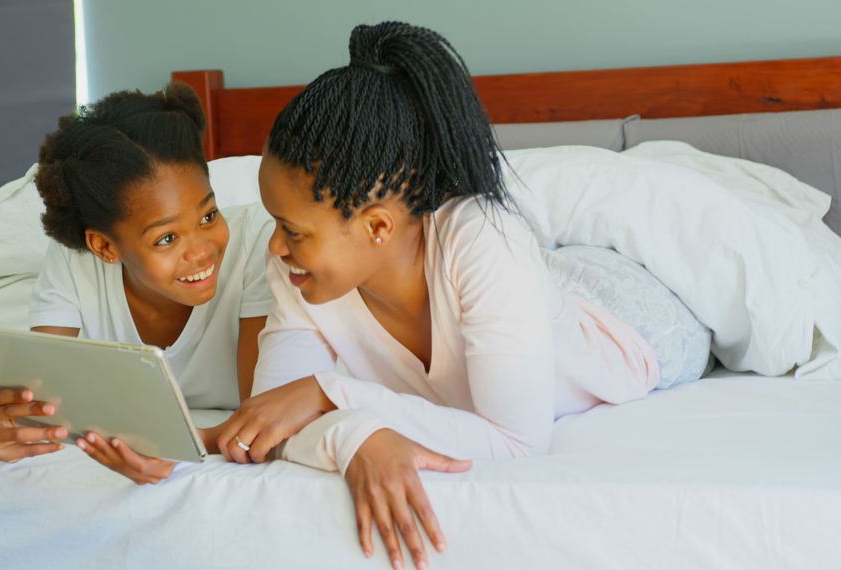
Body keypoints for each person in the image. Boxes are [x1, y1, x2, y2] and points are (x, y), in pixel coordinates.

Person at [214, 22, 702, 569]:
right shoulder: (296, 263)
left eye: (294, 230)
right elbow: (272, 422)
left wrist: (333, 395)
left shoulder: (484, 238)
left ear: (377, 226)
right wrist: (353, 437)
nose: (275, 245)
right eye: (277, 223)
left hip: (634, 321)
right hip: (521, 290)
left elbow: (517, 444)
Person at [0, 82, 274, 485]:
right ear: (104, 246)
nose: (201, 251)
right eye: (167, 238)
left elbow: (262, 414)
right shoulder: (74, 260)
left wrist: (178, 443)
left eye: (208, 216)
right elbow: (45, 407)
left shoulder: (258, 242)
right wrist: (11, 427)